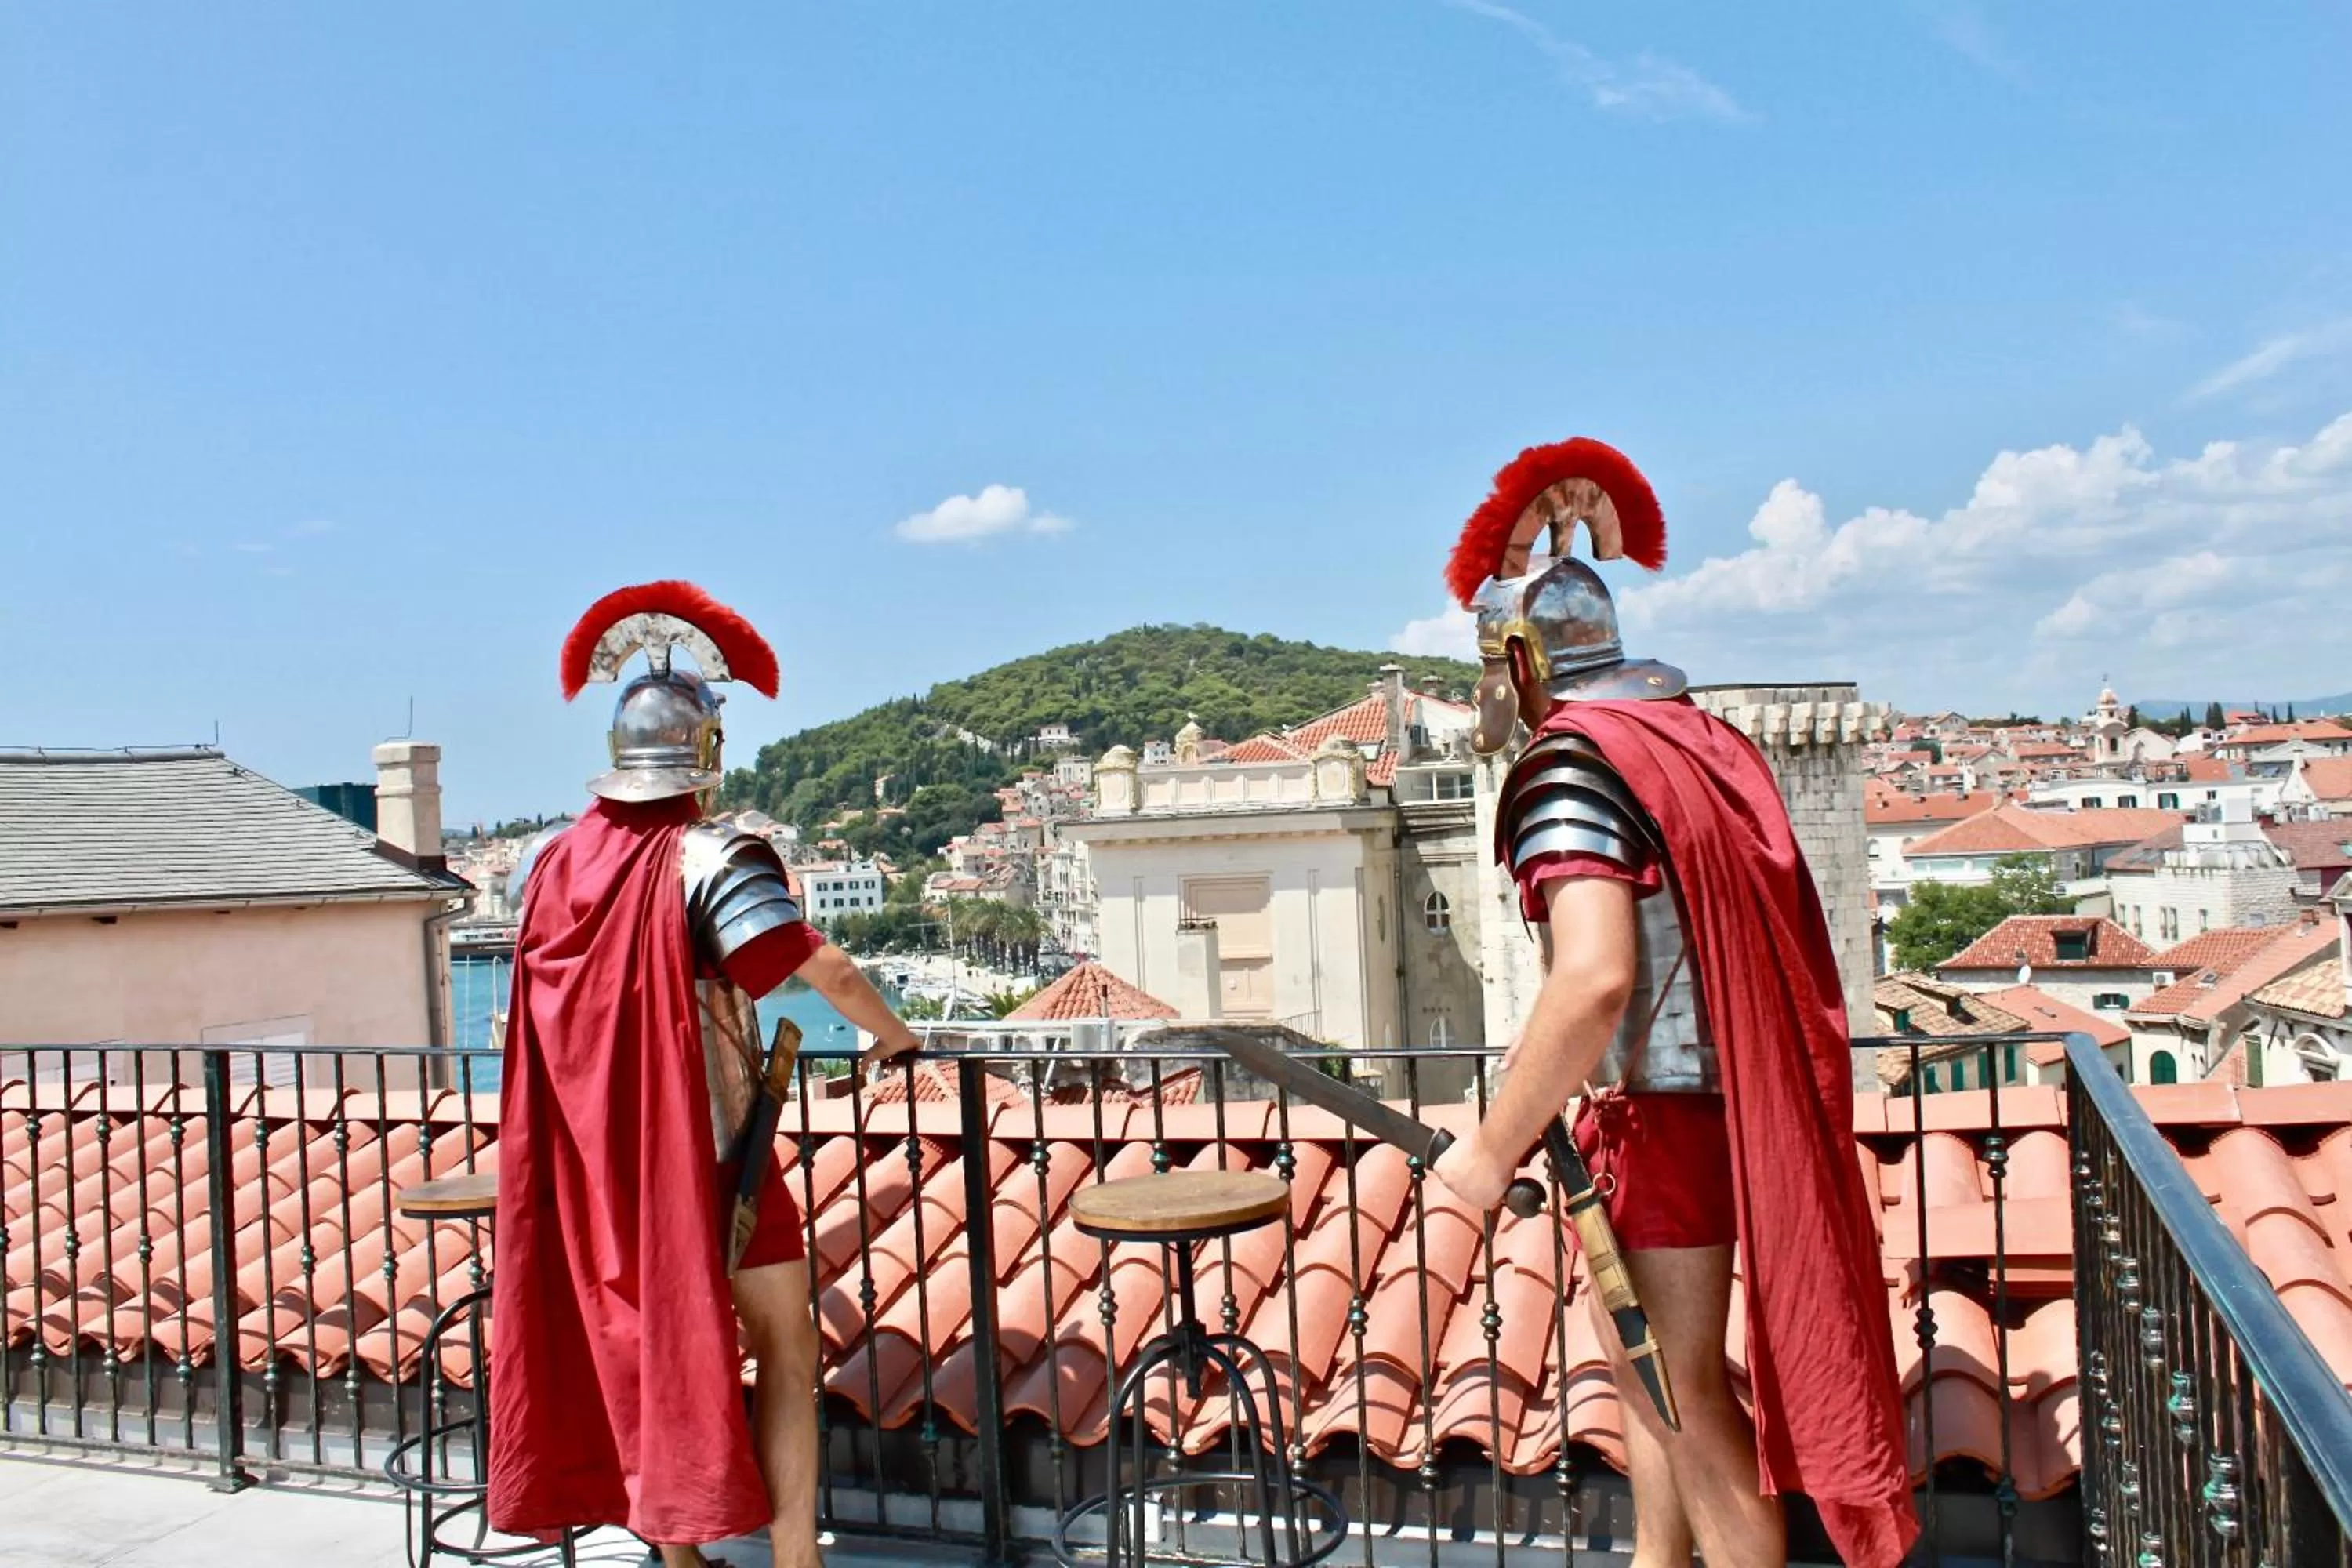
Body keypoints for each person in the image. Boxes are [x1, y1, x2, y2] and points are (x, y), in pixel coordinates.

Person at [1426, 442, 1915, 1568]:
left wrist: (1490, 1149)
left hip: (1663, 1117)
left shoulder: (1571, 762)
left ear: (1519, 656)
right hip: (1711, 1102)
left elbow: (1595, 975)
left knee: (1685, 1404)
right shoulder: (1685, 732)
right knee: (1650, 1388)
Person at [486, 580, 920, 1568]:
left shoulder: (544, 862)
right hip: (711, 1153)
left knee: (644, 1352)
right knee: (784, 1340)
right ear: (706, 753)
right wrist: (896, 1040)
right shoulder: (708, 855)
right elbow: (825, 969)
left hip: (590, 1168)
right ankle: (797, 1556)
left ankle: (682, 1559)